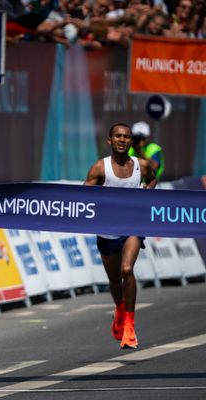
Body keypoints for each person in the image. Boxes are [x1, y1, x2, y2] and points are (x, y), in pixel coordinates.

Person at [84, 123, 156, 350]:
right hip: (107, 230)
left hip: (132, 226)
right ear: (110, 140)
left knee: (127, 270)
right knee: (115, 279)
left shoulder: (141, 166)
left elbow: (152, 178)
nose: (122, 140)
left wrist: (148, 190)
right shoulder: (99, 168)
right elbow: (82, 195)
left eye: (126, 137)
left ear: (131, 142)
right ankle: (119, 310)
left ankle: (130, 326)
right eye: (118, 136)